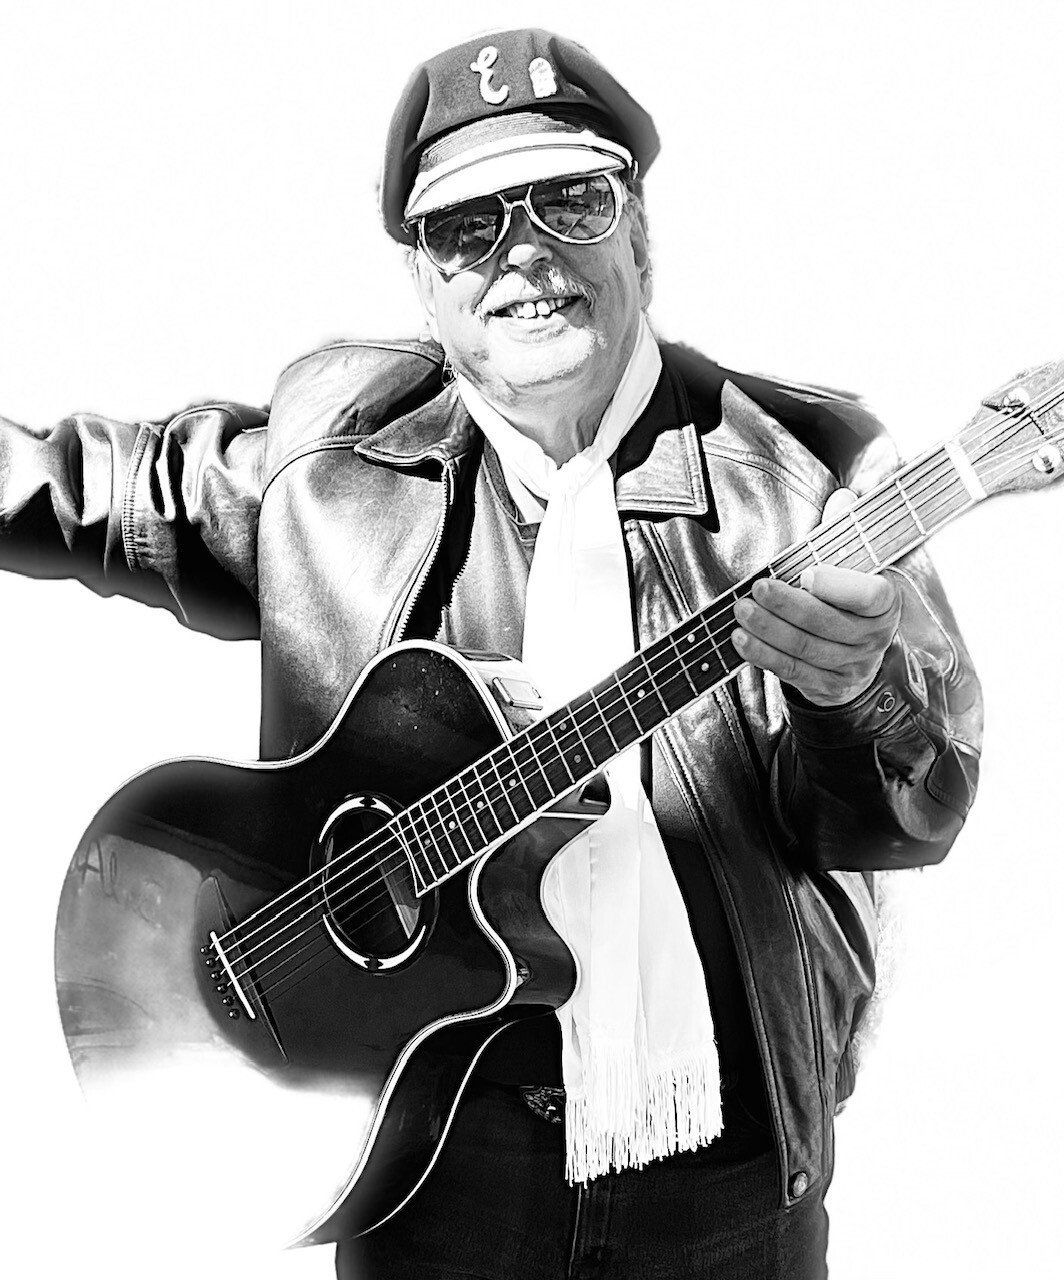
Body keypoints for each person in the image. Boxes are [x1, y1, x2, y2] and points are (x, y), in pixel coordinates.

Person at [2, 27, 981, 1280]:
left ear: (639, 230)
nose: (524, 252)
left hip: (723, 1192)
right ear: (424, 281)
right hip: (434, 1180)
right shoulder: (333, 464)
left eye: (571, 199)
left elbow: (917, 804)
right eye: (468, 227)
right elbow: (77, 489)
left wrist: (857, 696)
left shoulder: (803, 480)